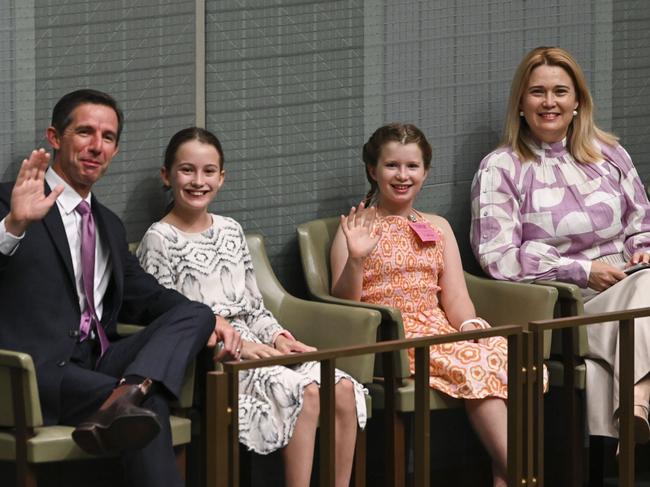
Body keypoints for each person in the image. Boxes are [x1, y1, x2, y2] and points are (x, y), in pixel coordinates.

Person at [0, 89, 242, 487]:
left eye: (108, 137)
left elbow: (146, 295)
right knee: (149, 408)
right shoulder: (12, 200)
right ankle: (130, 396)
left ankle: (128, 391)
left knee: (195, 312)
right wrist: (14, 227)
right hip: (34, 373)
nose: (97, 146)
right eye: (85, 132)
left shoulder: (108, 225)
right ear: (55, 137)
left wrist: (214, 319)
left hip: (97, 362)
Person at [136, 126, 367, 487]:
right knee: (304, 392)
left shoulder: (231, 229)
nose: (199, 181)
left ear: (222, 177)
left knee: (341, 387)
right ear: (167, 175)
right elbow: (167, 323)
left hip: (257, 344)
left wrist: (278, 337)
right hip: (211, 358)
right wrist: (241, 346)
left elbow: (255, 307)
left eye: (209, 171)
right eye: (187, 170)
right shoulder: (159, 239)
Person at [470, 46, 650, 443]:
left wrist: (642, 250)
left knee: (645, 286)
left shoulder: (610, 154)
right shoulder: (501, 167)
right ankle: (637, 397)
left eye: (560, 91)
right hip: (567, 300)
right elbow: (497, 257)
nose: (549, 102)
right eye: (537, 92)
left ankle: (637, 401)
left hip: (631, 280)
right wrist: (582, 270)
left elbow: (642, 222)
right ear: (520, 102)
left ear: (578, 101)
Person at [330, 123, 519, 487]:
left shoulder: (438, 226)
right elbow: (344, 309)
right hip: (392, 338)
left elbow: (456, 298)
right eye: (392, 166)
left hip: (439, 330)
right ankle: (525, 471)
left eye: (412, 166)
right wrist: (355, 259)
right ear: (373, 170)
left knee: (507, 352)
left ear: (425, 171)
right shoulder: (354, 228)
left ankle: (507, 475)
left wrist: (469, 327)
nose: (403, 176)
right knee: (477, 366)